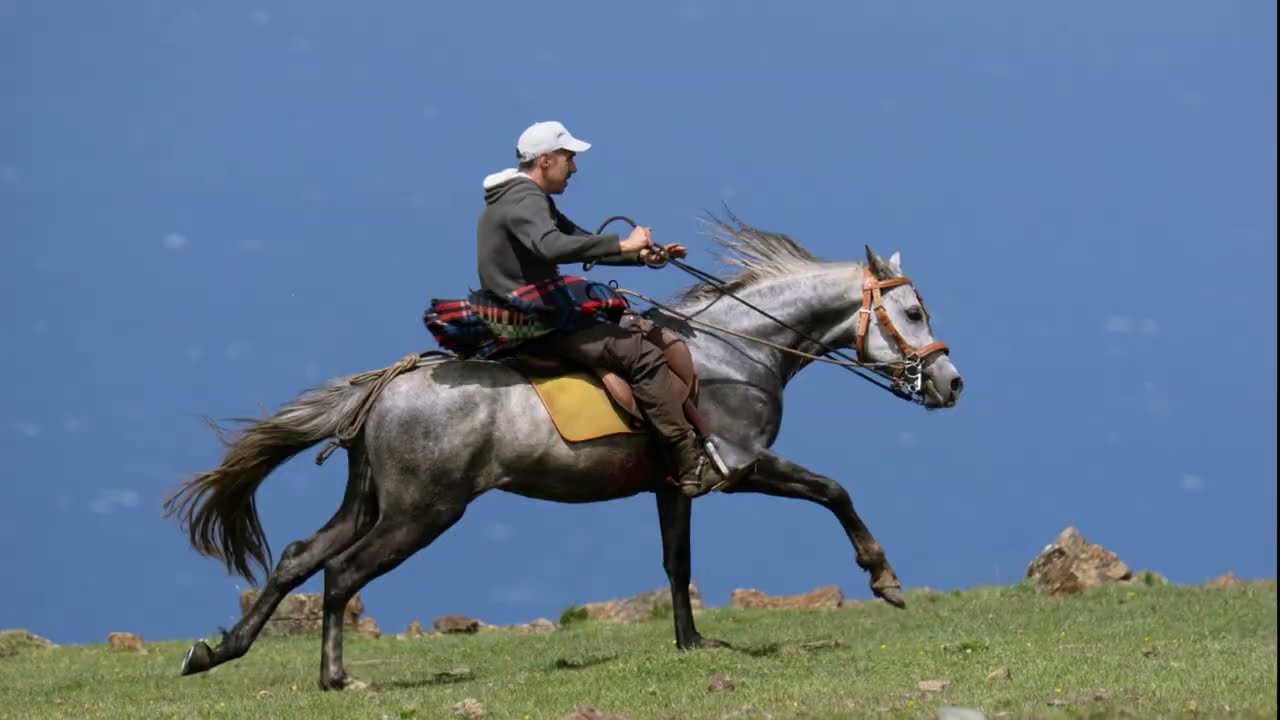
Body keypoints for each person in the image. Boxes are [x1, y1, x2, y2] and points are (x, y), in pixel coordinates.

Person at [475, 120, 721, 498]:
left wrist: (641, 256)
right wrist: (624, 246)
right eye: (568, 158)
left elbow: (581, 242)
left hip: (527, 315)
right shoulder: (524, 197)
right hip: (536, 319)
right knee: (640, 355)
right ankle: (686, 458)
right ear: (544, 160)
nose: (573, 168)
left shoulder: (523, 198)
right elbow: (552, 247)